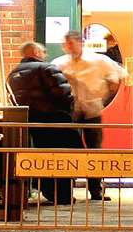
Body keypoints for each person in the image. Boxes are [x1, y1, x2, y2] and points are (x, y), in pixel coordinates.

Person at [53, 30, 126, 201]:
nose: (68, 47)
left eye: (71, 43)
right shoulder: (59, 63)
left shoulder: (98, 60)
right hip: (69, 112)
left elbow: (119, 77)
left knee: (94, 150)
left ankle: (95, 189)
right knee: (69, 150)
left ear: (80, 42)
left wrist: (104, 99)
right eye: (66, 44)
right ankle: (67, 190)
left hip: (92, 110)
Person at [6, 41, 76, 205]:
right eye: (43, 51)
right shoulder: (46, 68)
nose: (45, 54)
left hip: (32, 123)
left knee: (43, 157)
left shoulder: (13, 73)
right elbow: (64, 93)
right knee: (61, 159)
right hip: (56, 121)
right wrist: (69, 113)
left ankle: (48, 191)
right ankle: (63, 195)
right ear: (36, 52)